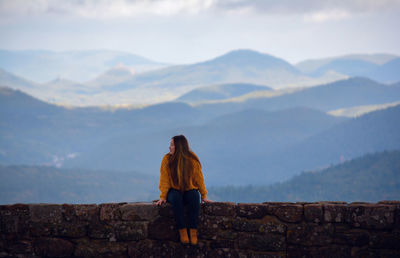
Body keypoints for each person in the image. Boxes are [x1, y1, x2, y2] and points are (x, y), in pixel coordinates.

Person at [155, 135, 211, 245]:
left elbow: (199, 178)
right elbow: (164, 180)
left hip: (188, 190)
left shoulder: (192, 159)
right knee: (176, 197)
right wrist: (163, 197)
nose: (169, 147)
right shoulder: (167, 159)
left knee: (195, 196)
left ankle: (193, 231)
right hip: (173, 191)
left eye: (172, 145)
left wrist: (204, 195)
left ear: (179, 147)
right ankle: (182, 231)